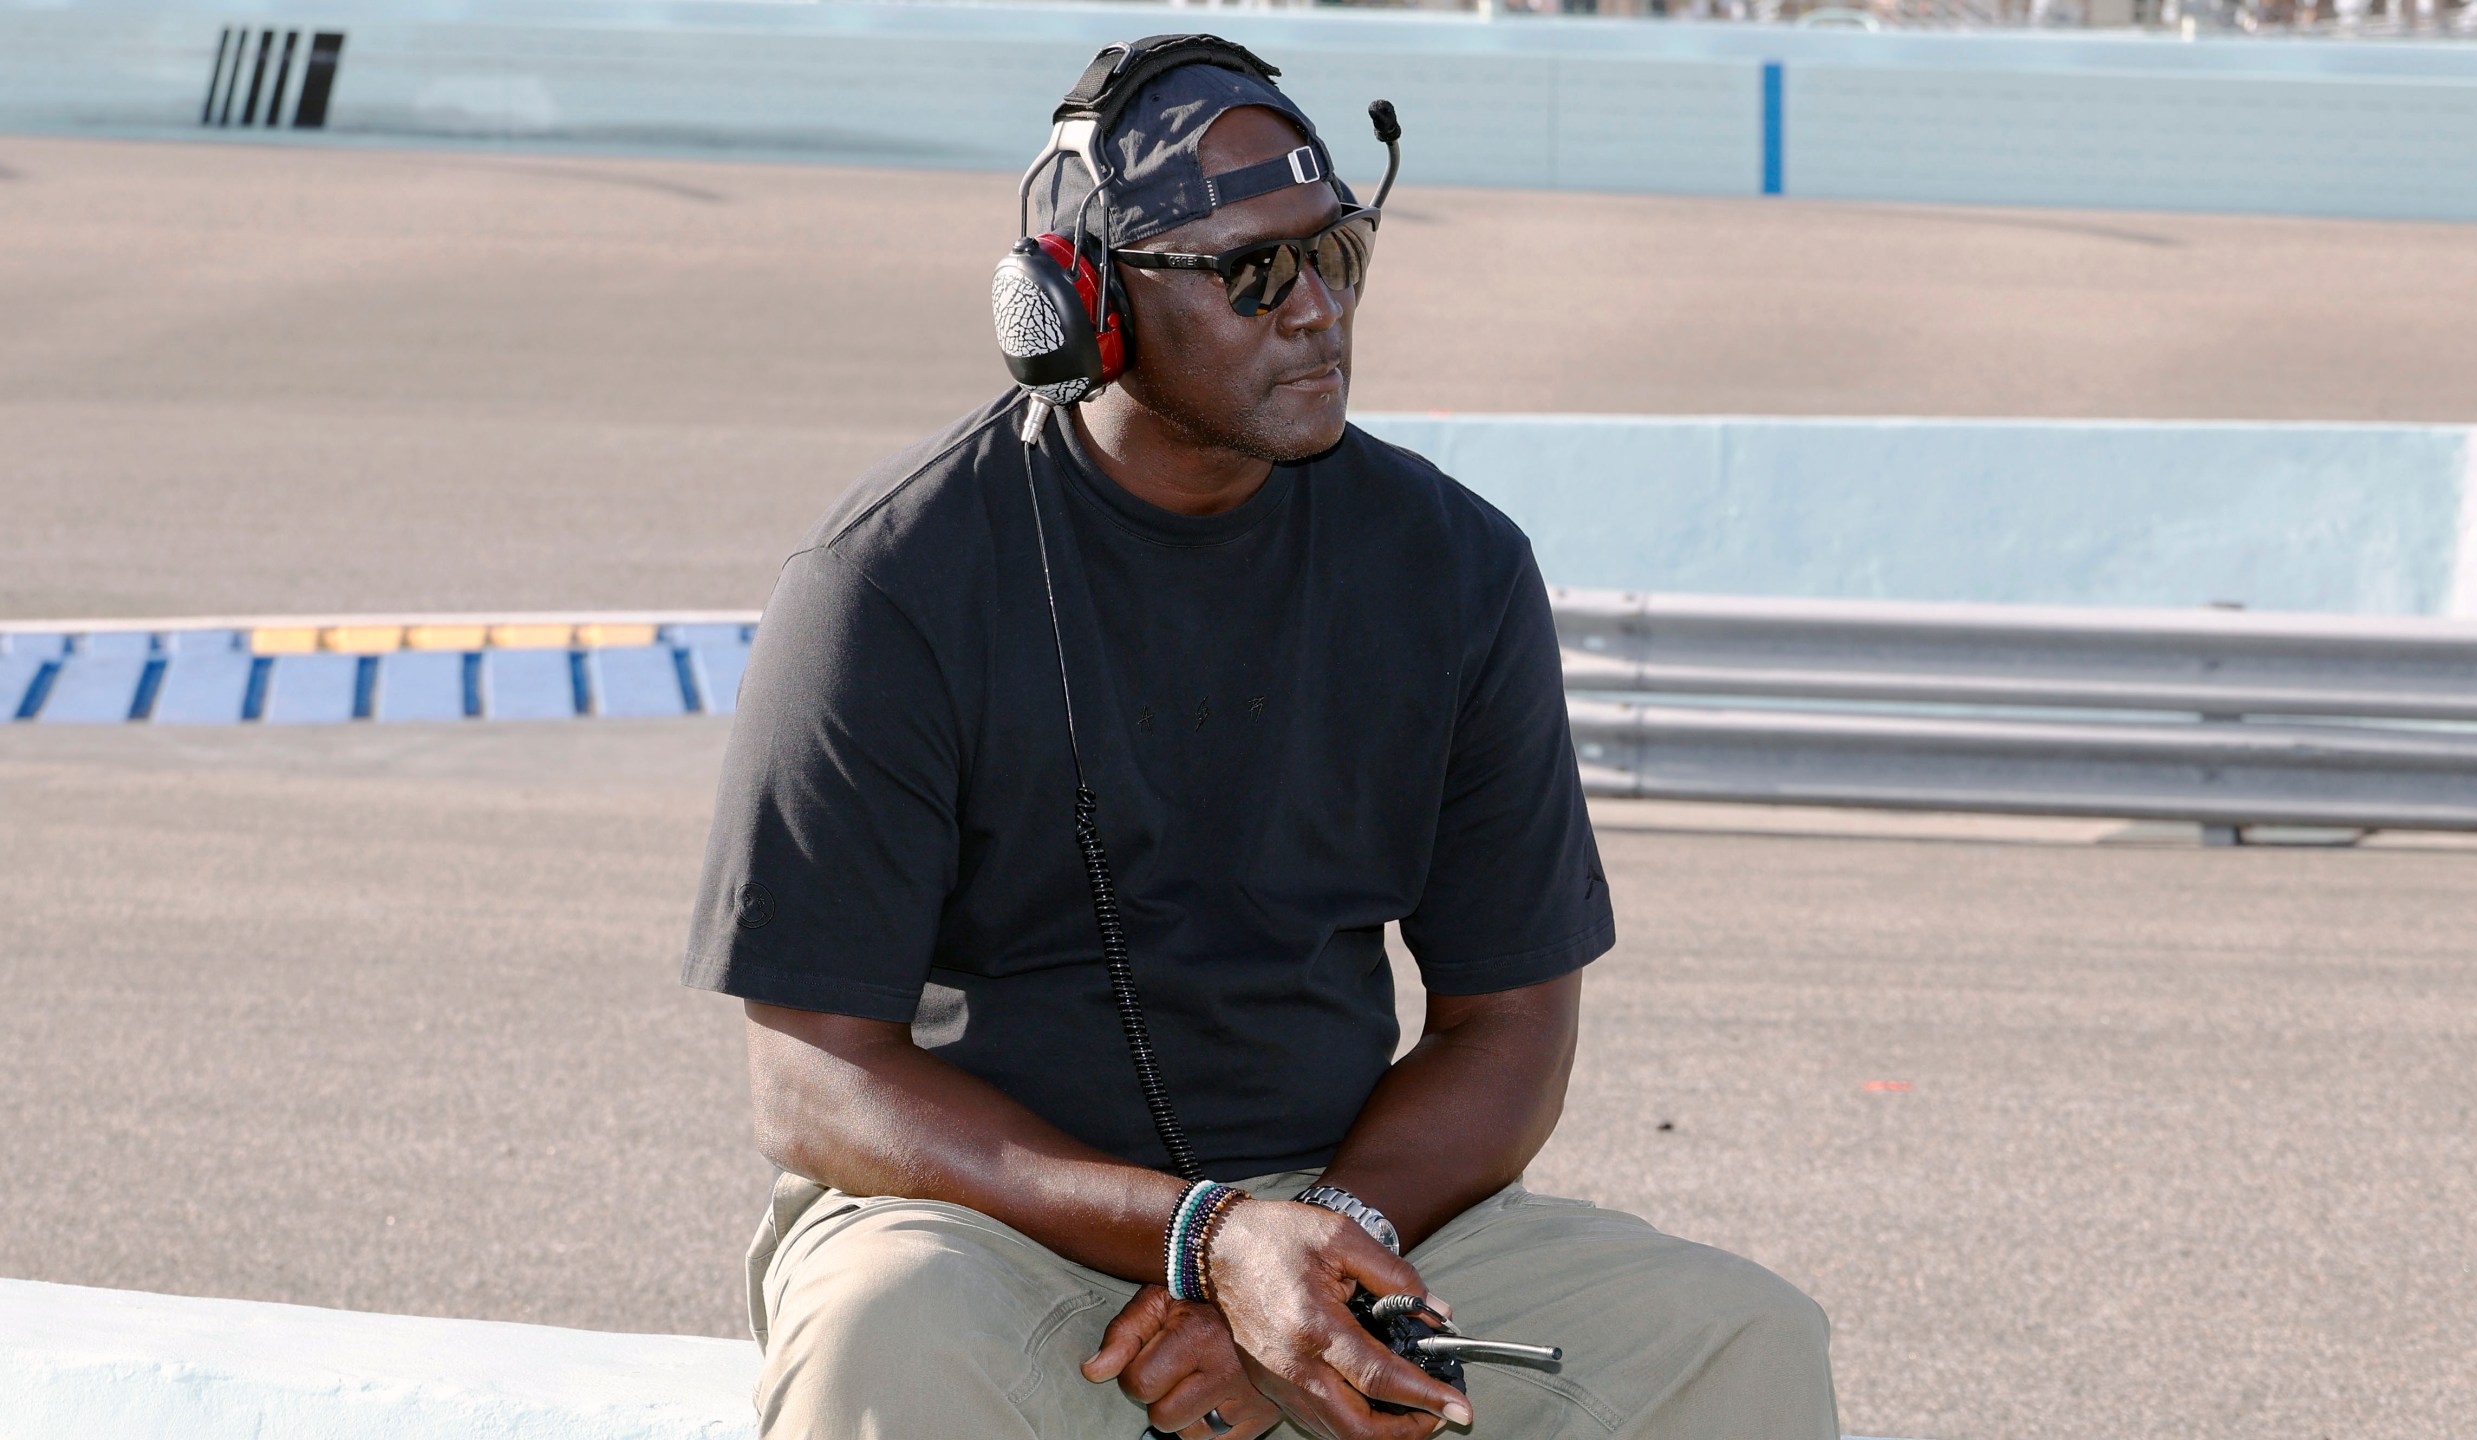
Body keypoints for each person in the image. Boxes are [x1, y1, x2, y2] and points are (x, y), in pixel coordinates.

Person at [683, 36, 1839, 1440]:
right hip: (990, 1230)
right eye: (1250, 271)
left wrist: (1322, 1261)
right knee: (884, 1343)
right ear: (1084, 306)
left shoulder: (1456, 569)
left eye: (1337, 252)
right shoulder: (888, 580)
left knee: (1738, 1343)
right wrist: (1205, 1243)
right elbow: (810, 1078)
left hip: (1357, 1208)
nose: (1316, 312)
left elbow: (1513, 1026)